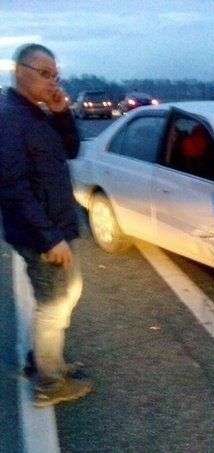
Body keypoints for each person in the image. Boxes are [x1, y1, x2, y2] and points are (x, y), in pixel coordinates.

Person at [0, 43, 92, 407]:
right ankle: (49, 382)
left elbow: (70, 150)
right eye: (44, 73)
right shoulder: (9, 118)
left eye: (55, 74)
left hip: (56, 224)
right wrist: (50, 238)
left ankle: (41, 358)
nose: (52, 81)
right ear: (19, 70)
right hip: (41, 233)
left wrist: (62, 113)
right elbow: (12, 189)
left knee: (70, 291)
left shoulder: (37, 113)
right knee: (54, 303)